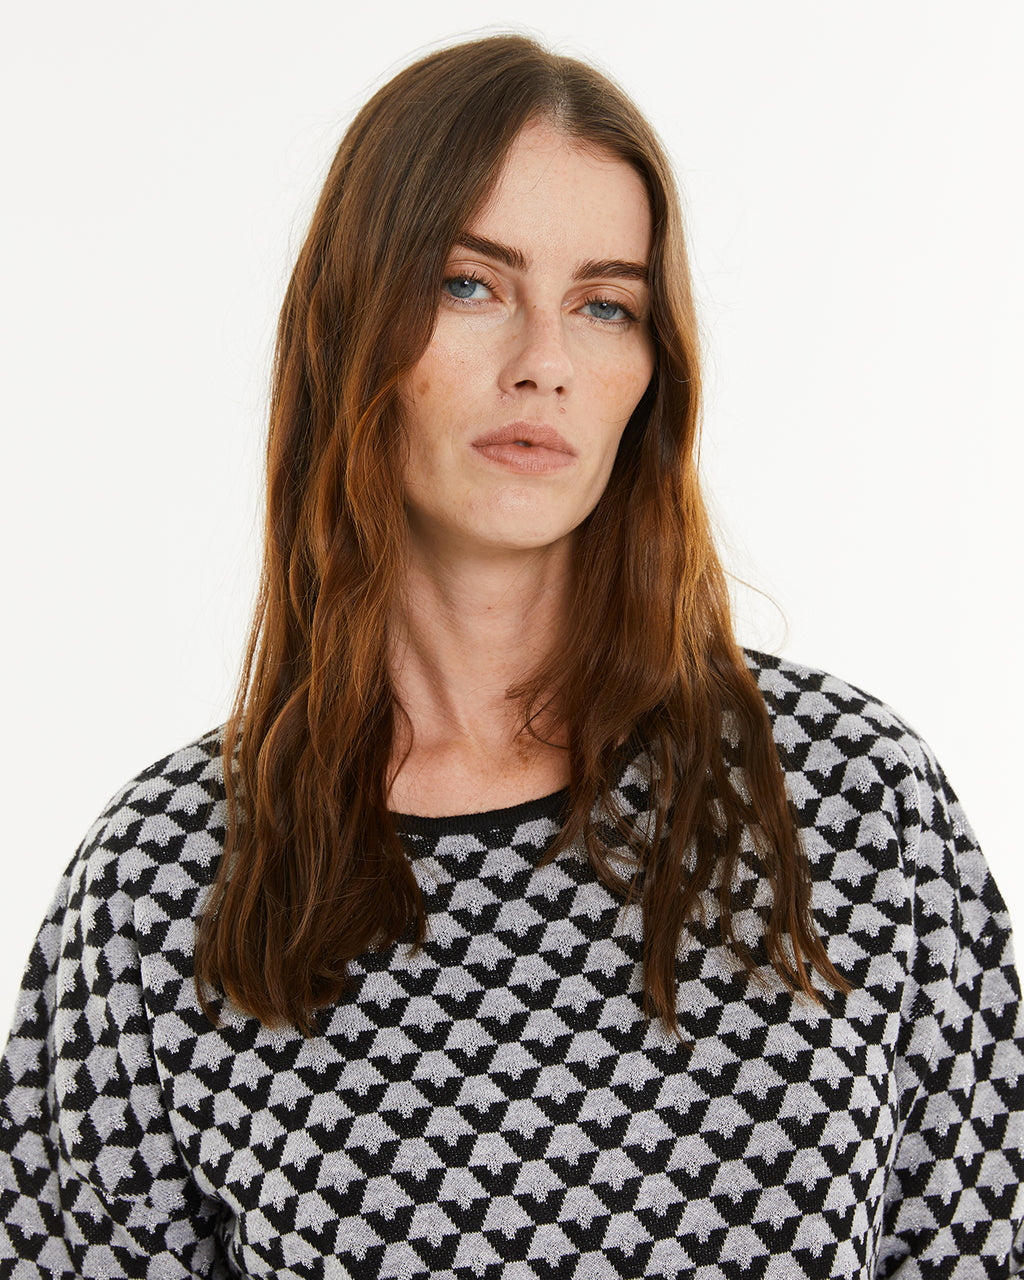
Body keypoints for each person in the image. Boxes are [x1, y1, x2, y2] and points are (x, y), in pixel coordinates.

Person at [0, 32, 1021, 1279]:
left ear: (650, 371)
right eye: (469, 284)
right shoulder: (169, 883)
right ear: (354, 325)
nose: (543, 362)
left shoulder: (846, 802)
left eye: (605, 305)